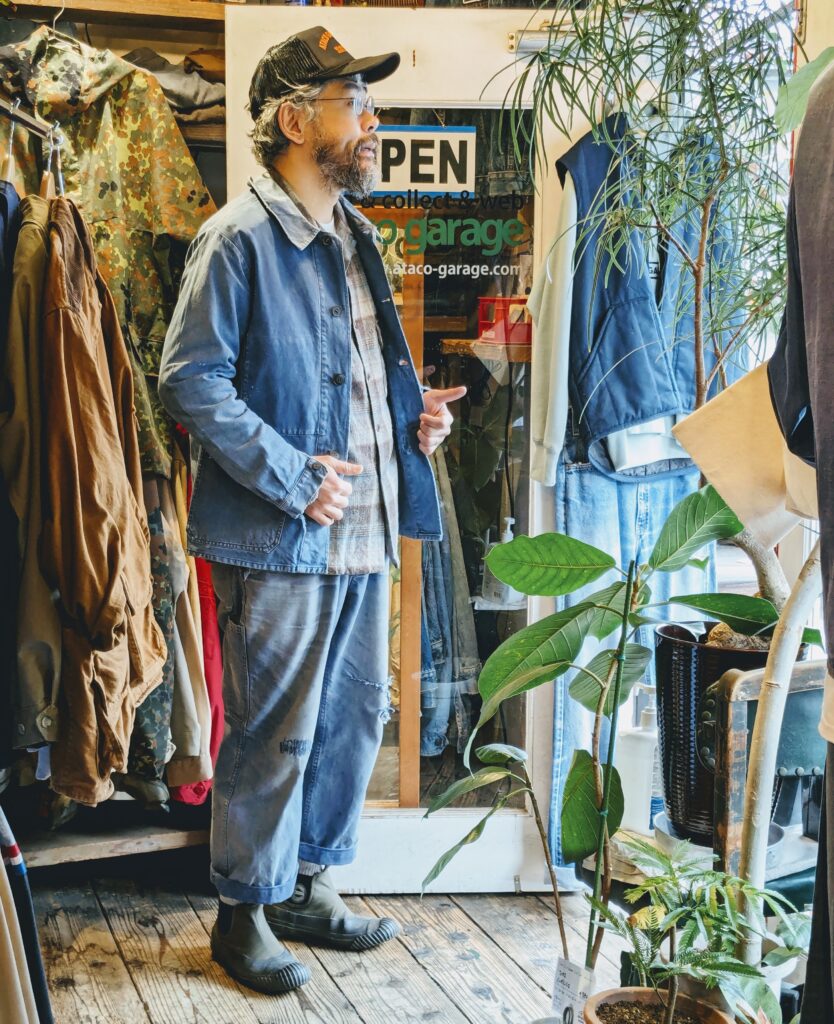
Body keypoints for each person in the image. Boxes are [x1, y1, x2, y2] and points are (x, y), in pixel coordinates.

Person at [158, 26, 466, 995]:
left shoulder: (355, 236)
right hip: (280, 536)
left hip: (362, 532)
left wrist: (407, 419)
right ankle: (242, 910)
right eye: (352, 102)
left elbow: (345, 375)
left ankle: (308, 884)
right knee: (275, 728)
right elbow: (189, 380)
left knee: (352, 715)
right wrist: (294, 474)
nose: (371, 119)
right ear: (294, 119)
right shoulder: (236, 239)